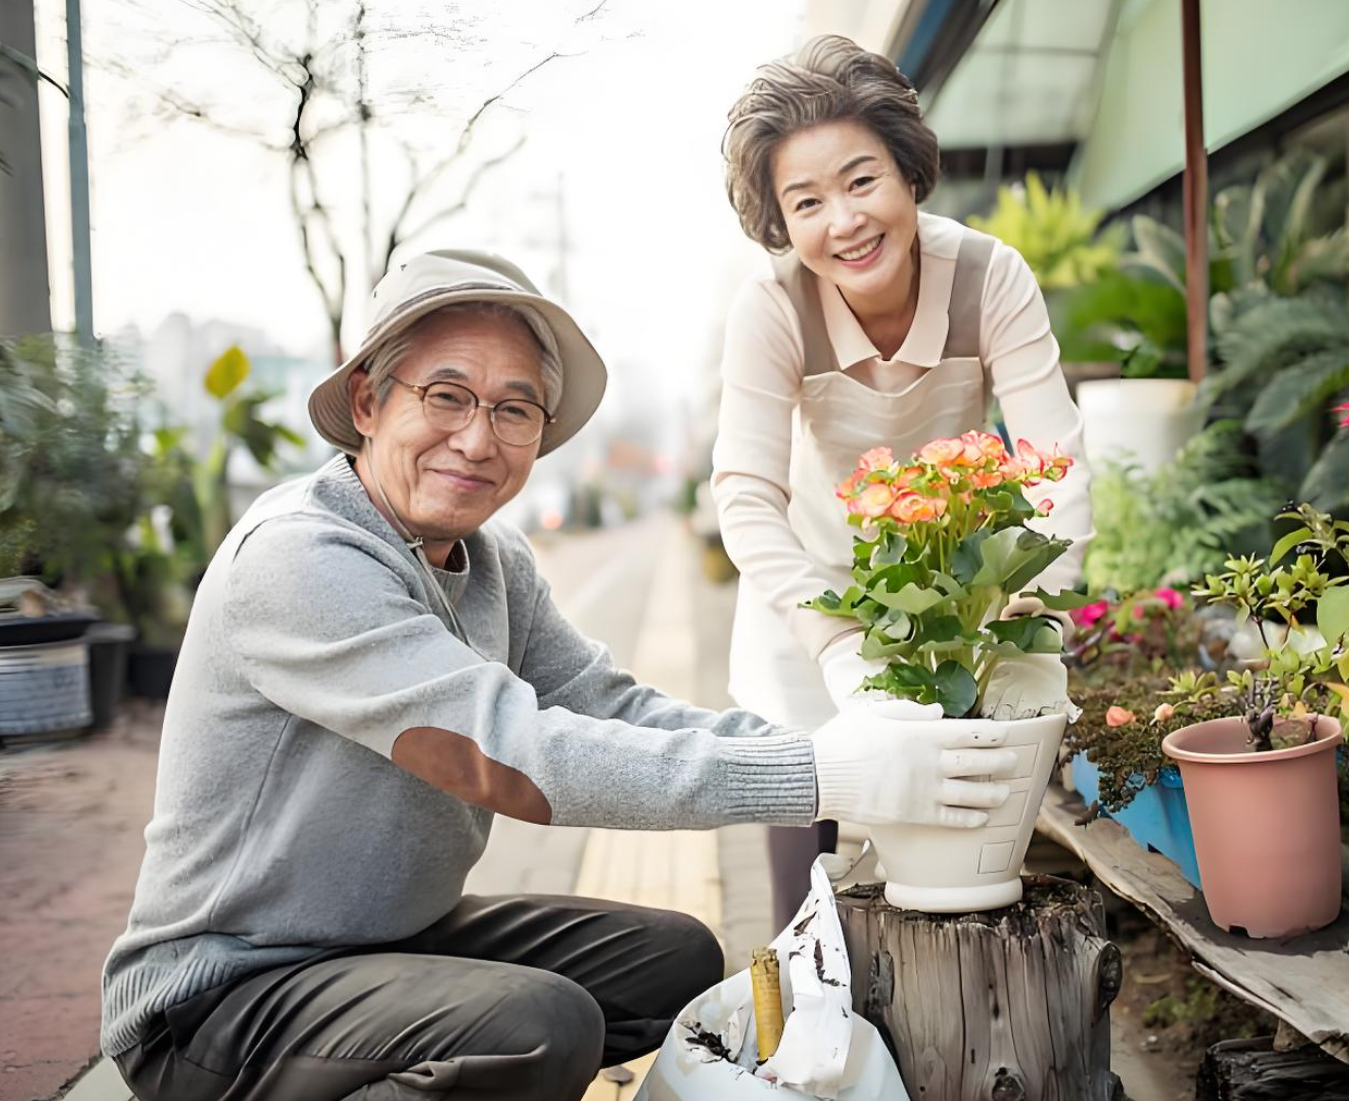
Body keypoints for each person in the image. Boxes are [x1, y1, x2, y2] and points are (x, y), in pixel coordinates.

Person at [100, 250, 1016, 1101]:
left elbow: (613, 706)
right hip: (221, 995)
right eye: (447, 396)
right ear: (369, 401)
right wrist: (826, 777)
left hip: (386, 942)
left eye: (514, 408)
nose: (476, 437)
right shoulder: (303, 556)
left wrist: (824, 745)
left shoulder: (492, 560)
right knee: (541, 1027)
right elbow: (515, 750)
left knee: (675, 957)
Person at [713, 35, 1094, 930]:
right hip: (806, 597)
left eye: (860, 180)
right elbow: (745, 494)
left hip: (952, 599)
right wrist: (840, 643)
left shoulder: (989, 276)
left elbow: (1057, 462)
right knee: (799, 888)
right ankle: (805, 1039)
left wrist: (1022, 616)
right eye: (805, 201)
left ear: (908, 171)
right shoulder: (772, 306)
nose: (842, 221)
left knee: (940, 857)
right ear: (780, 220)